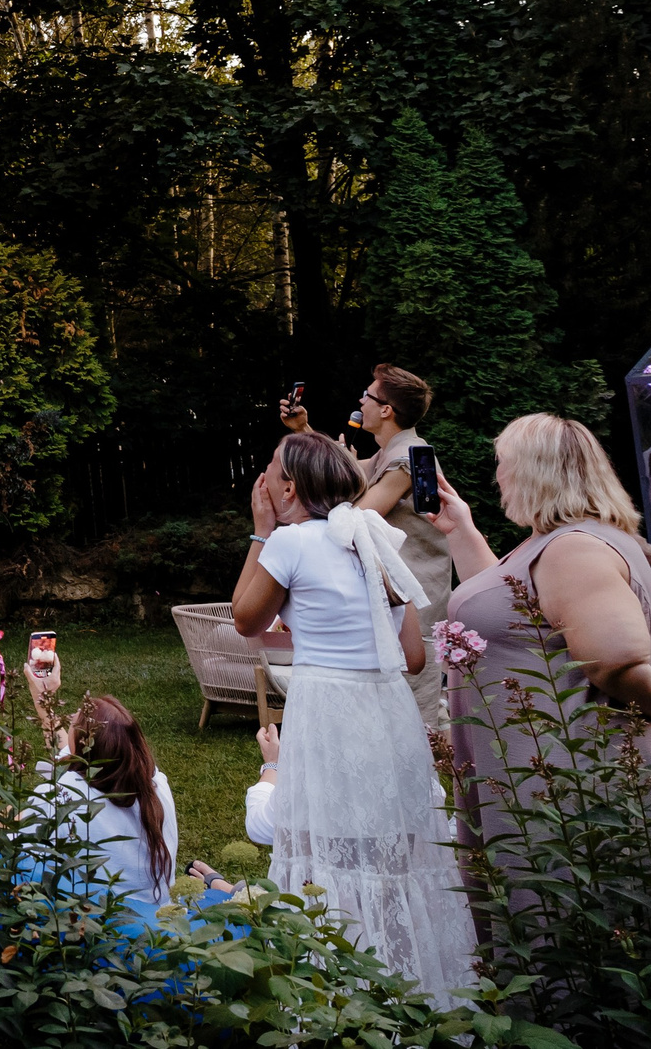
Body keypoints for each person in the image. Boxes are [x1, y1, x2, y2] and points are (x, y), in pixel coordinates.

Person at [232, 430, 475, 1003]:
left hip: (327, 711)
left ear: (286, 487)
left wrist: (262, 533)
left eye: (270, 469)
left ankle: (339, 993)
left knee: (328, 844)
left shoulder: (289, 543)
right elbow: (414, 657)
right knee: (392, 843)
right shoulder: (374, 538)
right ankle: (419, 989)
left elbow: (245, 619)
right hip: (387, 709)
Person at [430, 415, 651, 871]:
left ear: (530, 469)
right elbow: (508, 611)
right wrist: (460, 529)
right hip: (544, 767)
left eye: (501, 461)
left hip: (568, 775)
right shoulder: (554, 542)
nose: (496, 473)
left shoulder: (575, 549)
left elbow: (615, 660)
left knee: (563, 911)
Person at [282, 365, 456, 726]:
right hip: (396, 603)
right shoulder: (390, 452)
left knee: (416, 724)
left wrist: (297, 532)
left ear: (386, 409)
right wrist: (304, 430)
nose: (360, 400)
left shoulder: (409, 457)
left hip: (416, 606)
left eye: (367, 395)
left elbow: (356, 518)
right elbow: (345, 470)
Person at [21, 651, 178, 909]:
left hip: (98, 928)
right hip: (158, 915)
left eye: (72, 720)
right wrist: (43, 700)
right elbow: (69, 750)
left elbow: (13, 838)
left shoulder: (62, 797)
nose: (69, 719)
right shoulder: (154, 782)